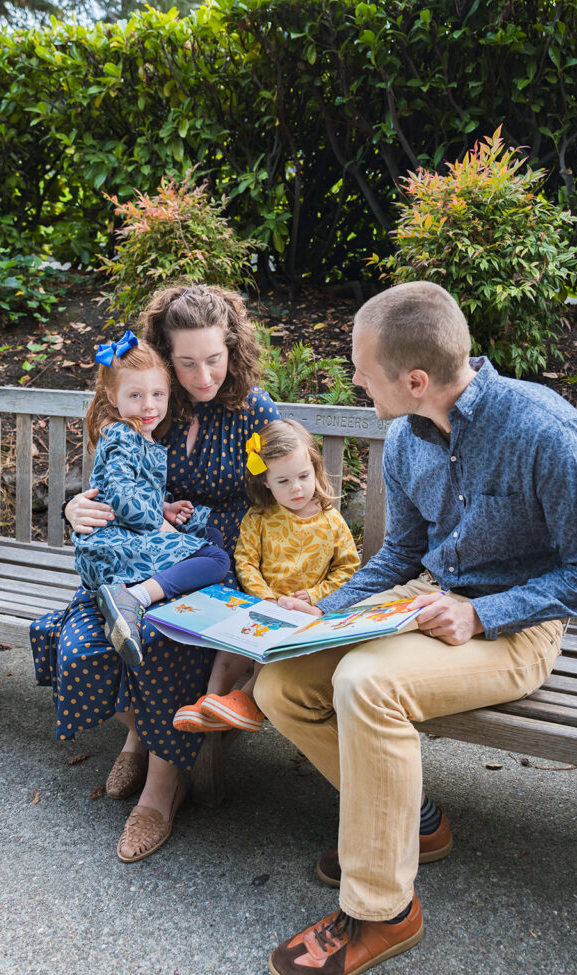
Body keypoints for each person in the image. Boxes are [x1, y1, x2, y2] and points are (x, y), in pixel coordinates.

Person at [253, 281, 577, 975]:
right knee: (281, 680)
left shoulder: (545, 433)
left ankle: (381, 909)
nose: (356, 379)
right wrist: (324, 613)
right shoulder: (405, 435)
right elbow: (399, 555)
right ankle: (412, 822)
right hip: (424, 599)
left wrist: (483, 614)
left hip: (517, 627)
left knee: (365, 683)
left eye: (363, 369)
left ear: (415, 380)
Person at [30, 284, 279, 863]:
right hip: (141, 550)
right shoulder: (151, 402)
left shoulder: (253, 410)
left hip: (216, 560)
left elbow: (289, 483)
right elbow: (112, 481)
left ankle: (160, 792)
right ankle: (142, 730)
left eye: (214, 359)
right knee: (78, 642)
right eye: (186, 362)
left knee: (165, 644)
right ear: (164, 355)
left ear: (233, 348)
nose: (203, 375)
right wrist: (75, 509)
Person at [172, 419, 361, 733]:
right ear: (267, 483)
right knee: (233, 641)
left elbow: (347, 568)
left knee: (273, 646)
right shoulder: (259, 518)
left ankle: (248, 701)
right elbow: (245, 561)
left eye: (303, 476)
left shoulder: (332, 522)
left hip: (306, 615)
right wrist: (266, 597)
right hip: (263, 604)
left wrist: (315, 595)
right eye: (283, 481)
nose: (297, 488)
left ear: (315, 469)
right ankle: (211, 701)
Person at [72, 331, 230, 666]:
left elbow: (135, 489)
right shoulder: (119, 435)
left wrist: (165, 507)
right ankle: (131, 598)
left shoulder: (140, 437)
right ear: (113, 396)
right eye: (136, 395)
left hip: (121, 542)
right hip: (110, 550)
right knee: (216, 559)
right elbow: (119, 495)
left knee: (209, 536)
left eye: (158, 394)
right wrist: (158, 523)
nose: (149, 406)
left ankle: (133, 597)